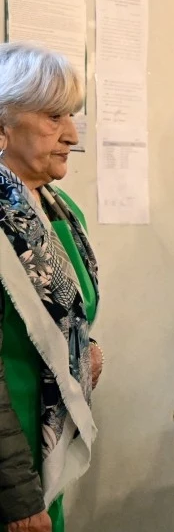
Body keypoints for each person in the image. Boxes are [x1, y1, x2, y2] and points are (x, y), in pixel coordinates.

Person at [0, 43, 102, 532]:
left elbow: (66, 314)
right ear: (2, 124)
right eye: (53, 116)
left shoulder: (61, 213)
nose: (72, 135)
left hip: (42, 450)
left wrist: (89, 346)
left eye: (72, 116)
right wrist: (16, 496)